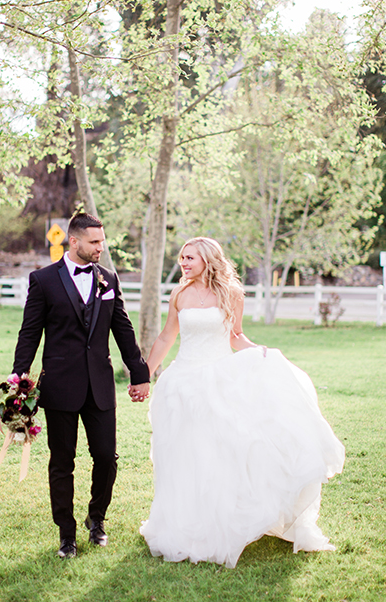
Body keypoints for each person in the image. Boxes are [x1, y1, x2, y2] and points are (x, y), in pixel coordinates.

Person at [138, 237, 345, 568]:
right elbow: (167, 337)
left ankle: (224, 518)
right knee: (184, 453)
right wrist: (144, 374)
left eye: (190, 257)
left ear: (208, 259)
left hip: (221, 380)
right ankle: (186, 520)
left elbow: (235, 336)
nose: (184, 263)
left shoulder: (231, 293)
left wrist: (260, 352)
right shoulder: (179, 293)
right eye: (181, 258)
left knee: (223, 451)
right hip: (183, 383)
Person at [12, 212, 150, 559]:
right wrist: (18, 379)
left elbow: (123, 329)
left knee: (107, 456)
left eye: (102, 241)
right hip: (59, 385)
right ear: (73, 242)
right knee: (62, 461)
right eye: (94, 242)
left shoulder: (108, 278)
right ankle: (66, 534)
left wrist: (139, 372)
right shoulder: (43, 280)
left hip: (100, 385)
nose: (100, 248)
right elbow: (30, 333)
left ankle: (96, 518)